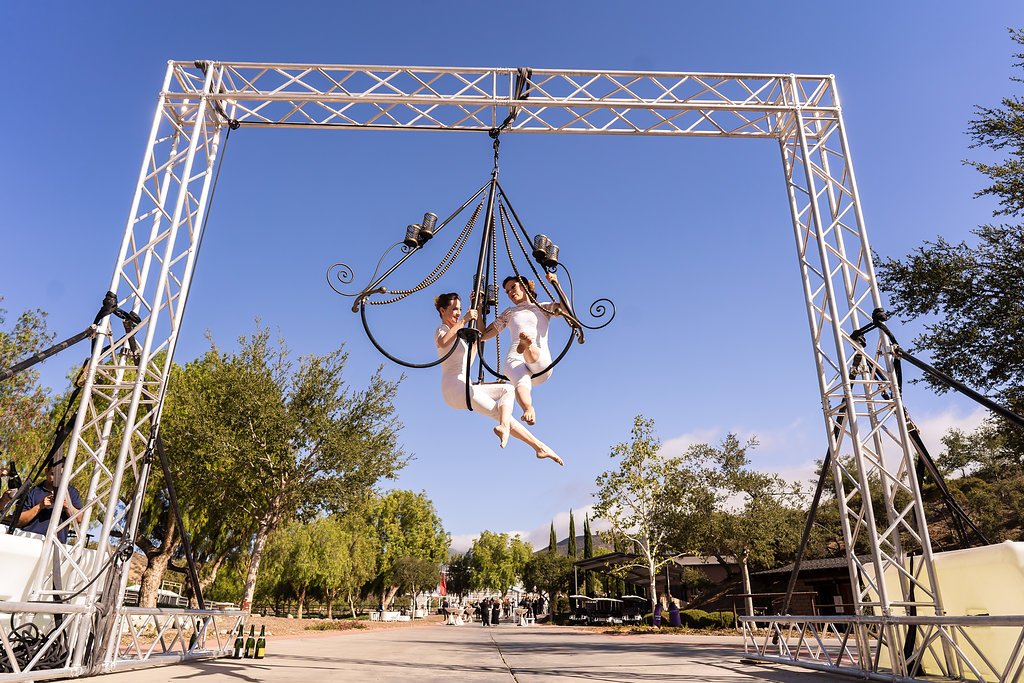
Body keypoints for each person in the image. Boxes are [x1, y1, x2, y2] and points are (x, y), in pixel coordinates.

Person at [434, 292, 563, 466]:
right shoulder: (442, 330)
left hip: (464, 385)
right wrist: (463, 320)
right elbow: (442, 342)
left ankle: (534, 444)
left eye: (459, 309)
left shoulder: (460, 338)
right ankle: (535, 445)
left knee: (508, 390)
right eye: (454, 309)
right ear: (442, 311)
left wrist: (477, 306)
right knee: (498, 412)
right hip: (454, 388)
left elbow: (477, 343)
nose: (457, 312)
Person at [480, 273, 565, 426]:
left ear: (525, 285)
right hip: (515, 357)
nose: (510, 292)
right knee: (520, 381)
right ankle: (528, 408)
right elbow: (484, 335)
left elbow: (566, 310)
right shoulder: (509, 312)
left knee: (532, 352)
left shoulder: (543, 307)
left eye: (513, 287)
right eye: (507, 291)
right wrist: (479, 309)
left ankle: (527, 346)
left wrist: (556, 284)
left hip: (541, 363)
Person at [16, 463, 83, 543]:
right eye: (53, 474)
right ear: (46, 471)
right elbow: (18, 521)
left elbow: (80, 519)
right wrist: (40, 506)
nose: (56, 479)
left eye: (61, 475)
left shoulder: (72, 493)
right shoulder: (33, 491)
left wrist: (67, 506)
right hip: (29, 540)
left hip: (56, 544)